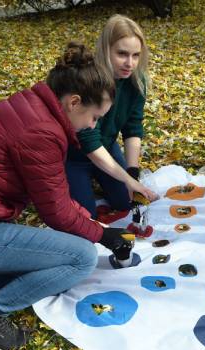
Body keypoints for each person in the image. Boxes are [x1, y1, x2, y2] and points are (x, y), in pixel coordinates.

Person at [0, 42, 142, 350]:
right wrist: (105, 236)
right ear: (74, 102)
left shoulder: (34, 108)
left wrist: (90, 222)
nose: (93, 126)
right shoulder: (41, 131)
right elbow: (56, 213)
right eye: (94, 117)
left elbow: (55, 196)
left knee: (56, 254)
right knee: (81, 258)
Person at [65, 15, 158, 218]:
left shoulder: (136, 81)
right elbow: (87, 139)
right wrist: (126, 179)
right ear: (106, 49)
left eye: (135, 55)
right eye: (122, 54)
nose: (129, 63)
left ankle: (105, 177)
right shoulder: (90, 79)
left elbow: (133, 127)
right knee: (85, 215)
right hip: (73, 156)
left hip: (106, 146)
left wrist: (132, 174)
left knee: (126, 201)